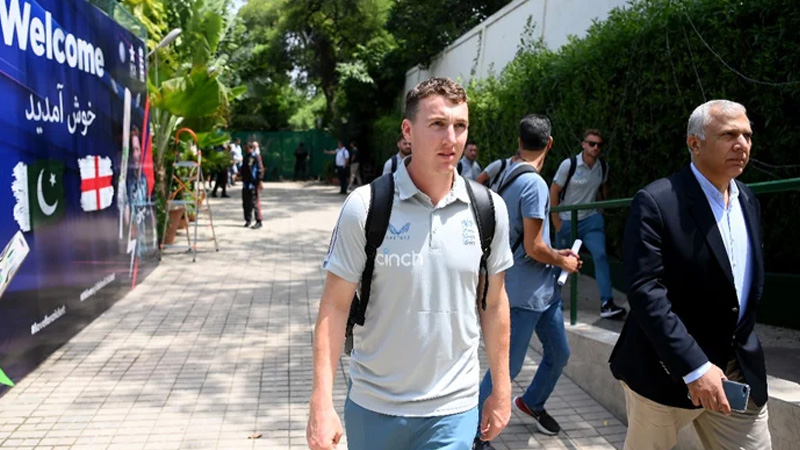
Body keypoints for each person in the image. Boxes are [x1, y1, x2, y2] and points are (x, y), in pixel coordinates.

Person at [307, 77, 514, 450]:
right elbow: (334, 307)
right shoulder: (366, 207)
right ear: (408, 130)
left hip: (453, 410)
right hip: (374, 406)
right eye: (437, 124)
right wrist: (321, 401)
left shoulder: (489, 210)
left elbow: (495, 303)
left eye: (460, 126)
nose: (451, 138)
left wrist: (502, 387)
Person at [609, 100, 771, 450]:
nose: (741, 144)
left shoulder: (748, 200)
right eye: (729, 135)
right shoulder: (656, 202)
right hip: (663, 374)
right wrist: (696, 368)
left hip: (735, 371)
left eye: (746, 135)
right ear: (694, 143)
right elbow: (645, 291)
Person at [474, 115, 581, 449]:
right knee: (506, 367)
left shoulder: (506, 171)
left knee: (559, 353)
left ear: (520, 141)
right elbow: (534, 248)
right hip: (523, 294)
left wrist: (555, 253)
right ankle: (474, 434)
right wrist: (564, 260)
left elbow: (531, 240)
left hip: (542, 291)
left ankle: (532, 402)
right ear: (549, 144)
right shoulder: (534, 184)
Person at [550, 129, 625, 319]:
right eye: (591, 143)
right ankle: (553, 301)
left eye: (599, 145)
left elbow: (602, 188)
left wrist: (600, 211)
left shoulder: (602, 167)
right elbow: (554, 191)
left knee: (600, 255)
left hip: (591, 220)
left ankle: (607, 303)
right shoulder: (569, 165)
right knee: (559, 262)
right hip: (568, 220)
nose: (595, 148)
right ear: (583, 144)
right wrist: (556, 222)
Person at [240, 142, 264, 229]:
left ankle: (259, 221)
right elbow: (243, 169)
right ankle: (248, 220)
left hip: (253, 183)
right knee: (246, 203)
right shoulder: (246, 157)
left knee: (255, 202)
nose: (246, 150)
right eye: (245, 148)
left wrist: (260, 181)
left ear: (251, 148)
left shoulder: (256, 157)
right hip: (246, 183)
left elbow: (260, 169)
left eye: (247, 148)